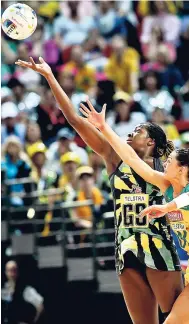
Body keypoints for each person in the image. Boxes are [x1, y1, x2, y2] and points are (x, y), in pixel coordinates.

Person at [15, 56, 183, 324]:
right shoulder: (114, 157)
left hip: (159, 246)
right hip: (125, 249)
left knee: (178, 319)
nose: (129, 132)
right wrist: (50, 76)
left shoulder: (169, 170)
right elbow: (73, 119)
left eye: (137, 130)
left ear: (151, 141)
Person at [79, 101, 189, 324]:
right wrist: (103, 126)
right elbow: (129, 158)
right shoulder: (165, 186)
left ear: (183, 169)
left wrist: (168, 208)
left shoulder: (179, 194)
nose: (164, 160)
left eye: (170, 160)